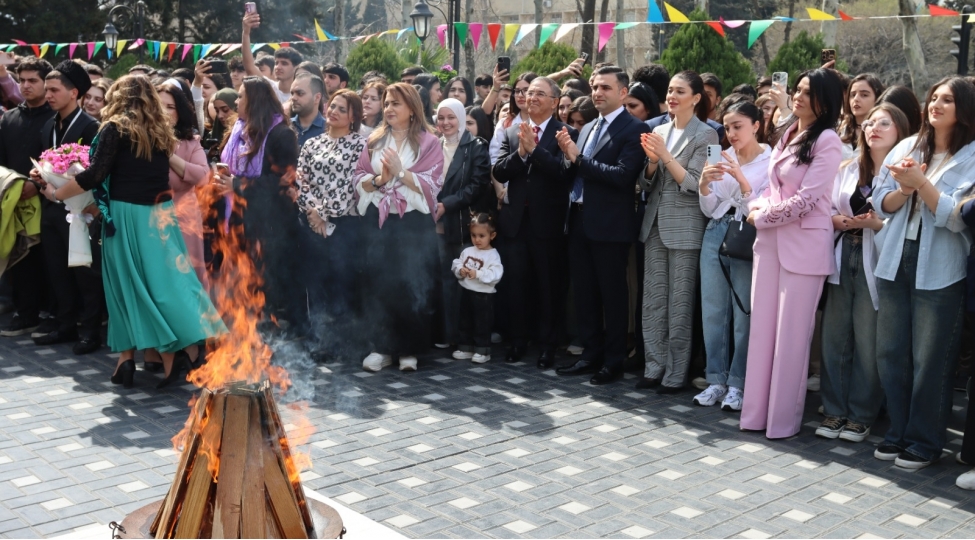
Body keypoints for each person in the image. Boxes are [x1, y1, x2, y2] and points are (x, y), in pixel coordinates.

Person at [41, 75, 226, 388]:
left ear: (118, 97)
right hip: (162, 214)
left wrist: (56, 193)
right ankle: (175, 354)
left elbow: (96, 175)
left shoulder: (114, 128)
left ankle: (151, 356)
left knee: (125, 289)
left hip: (129, 215)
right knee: (170, 285)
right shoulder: (160, 131)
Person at [872, 76, 975, 469]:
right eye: (934, 97)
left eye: (947, 100)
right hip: (896, 255)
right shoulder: (908, 144)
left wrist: (922, 184)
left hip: (942, 264)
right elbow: (881, 203)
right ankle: (898, 432)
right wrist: (905, 189)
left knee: (931, 359)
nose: (936, 104)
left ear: (964, 108)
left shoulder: (972, 155)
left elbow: (958, 217)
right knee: (891, 352)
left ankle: (925, 440)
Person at [741, 68, 844, 439]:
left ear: (825, 100)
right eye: (797, 89)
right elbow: (772, 187)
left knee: (791, 339)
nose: (797, 96)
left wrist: (761, 216)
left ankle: (782, 422)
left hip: (803, 247)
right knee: (763, 333)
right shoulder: (787, 133)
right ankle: (754, 414)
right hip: (769, 244)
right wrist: (755, 205)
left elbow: (808, 199)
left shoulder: (829, 140)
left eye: (807, 92)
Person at [817, 103, 909, 442]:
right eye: (869, 122)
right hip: (844, 253)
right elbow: (824, 207)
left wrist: (877, 225)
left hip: (878, 260)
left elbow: (904, 224)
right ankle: (834, 410)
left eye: (884, 123)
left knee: (868, 341)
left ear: (900, 130)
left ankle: (861, 414)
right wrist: (836, 220)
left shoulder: (905, 173)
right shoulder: (846, 168)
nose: (873, 127)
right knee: (835, 337)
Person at [555, 66, 650, 385]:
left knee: (612, 293)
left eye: (605, 87)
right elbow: (574, 172)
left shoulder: (635, 129)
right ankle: (589, 353)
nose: (597, 92)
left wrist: (578, 158)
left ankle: (613, 360)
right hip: (579, 218)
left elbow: (622, 176)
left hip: (610, 224)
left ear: (623, 93)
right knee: (584, 292)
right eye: (594, 86)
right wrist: (569, 159)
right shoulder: (588, 127)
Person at [353, 83, 444, 372]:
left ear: (412, 108)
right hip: (380, 222)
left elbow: (433, 184)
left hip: (414, 226)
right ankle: (382, 348)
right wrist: (381, 179)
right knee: (379, 283)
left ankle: (409, 349)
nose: (389, 108)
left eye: (396, 104)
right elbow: (358, 179)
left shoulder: (429, 142)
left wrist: (400, 174)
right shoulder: (374, 141)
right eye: (387, 103)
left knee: (412, 283)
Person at [637, 70, 719, 393]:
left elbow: (695, 183)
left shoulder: (707, 135)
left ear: (696, 98)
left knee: (680, 302)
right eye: (670, 90)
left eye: (680, 91)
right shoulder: (658, 129)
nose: (672, 96)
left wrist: (666, 156)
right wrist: (652, 163)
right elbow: (643, 183)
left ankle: (675, 373)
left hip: (686, 225)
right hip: (654, 222)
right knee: (654, 300)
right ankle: (653, 367)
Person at [493, 77, 575, 367]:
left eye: (540, 93)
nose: (532, 97)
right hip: (515, 224)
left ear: (555, 102)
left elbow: (566, 174)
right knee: (515, 285)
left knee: (547, 287)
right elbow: (500, 172)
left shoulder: (566, 133)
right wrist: (522, 151)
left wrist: (536, 151)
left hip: (548, 225)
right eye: (529, 93)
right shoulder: (512, 131)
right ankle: (517, 341)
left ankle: (547, 345)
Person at [695, 101, 771, 409]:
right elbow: (710, 208)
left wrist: (740, 178)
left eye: (738, 126)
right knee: (712, 310)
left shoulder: (771, 159)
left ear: (756, 125)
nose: (731, 133)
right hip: (716, 231)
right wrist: (703, 184)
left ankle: (738, 383)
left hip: (747, 234)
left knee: (744, 313)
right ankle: (716, 379)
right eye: (727, 127)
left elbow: (758, 205)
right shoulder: (718, 153)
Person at [213, 77, 301, 328]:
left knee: (265, 285)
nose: (237, 102)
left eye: (241, 97)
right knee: (240, 284)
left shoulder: (281, 134)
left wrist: (238, 185)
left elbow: (283, 180)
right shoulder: (238, 131)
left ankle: (269, 339)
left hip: (269, 225)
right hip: (237, 218)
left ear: (257, 101)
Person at [32, 60, 102, 355]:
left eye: (54, 90)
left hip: (81, 210)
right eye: (46, 90)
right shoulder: (48, 123)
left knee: (84, 272)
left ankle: (90, 331)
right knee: (57, 270)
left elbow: (96, 171)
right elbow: (45, 161)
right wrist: (40, 176)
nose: (48, 95)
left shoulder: (91, 125)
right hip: (51, 207)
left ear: (74, 93)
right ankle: (65, 325)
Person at [295, 89, 366, 353]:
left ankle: (340, 342)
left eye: (341, 109)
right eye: (332, 106)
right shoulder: (312, 144)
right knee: (314, 283)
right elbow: (299, 180)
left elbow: (353, 185)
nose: (334, 111)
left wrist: (324, 213)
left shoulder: (361, 145)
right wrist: (313, 213)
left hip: (345, 225)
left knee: (341, 282)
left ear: (353, 116)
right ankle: (318, 340)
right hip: (311, 225)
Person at [0, 57, 54, 339]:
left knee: (48, 260)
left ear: (47, 83)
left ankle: (53, 314)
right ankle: (26, 312)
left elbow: (60, 160)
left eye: (33, 80)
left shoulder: (55, 118)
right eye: (21, 80)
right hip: (13, 200)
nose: (25, 86)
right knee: (19, 258)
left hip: (49, 200)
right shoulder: (9, 118)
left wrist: (37, 184)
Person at [434, 98, 491, 349]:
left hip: (461, 224)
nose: (445, 123)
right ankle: (447, 335)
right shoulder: (433, 145)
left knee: (467, 281)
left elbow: (477, 186)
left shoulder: (476, 146)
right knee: (444, 281)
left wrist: (446, 204)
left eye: (451, 117)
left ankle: (468, 339)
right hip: (436, 225)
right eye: (441, 118)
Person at [157, 79, 210, 289]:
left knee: (186, 278)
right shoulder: (139, 140)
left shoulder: (190, 141)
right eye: (159, 105)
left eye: (170, 107)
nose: (164, 112)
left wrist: (168, 154)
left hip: (184, 218)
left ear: (180, 112)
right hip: (150, 219)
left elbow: (202, 176)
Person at [451, 213, 504, 363]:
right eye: (474, 235)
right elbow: (457, 263)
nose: (477, 239)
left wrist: (478, 273)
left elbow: (496, 274)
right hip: (466, 292)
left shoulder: (493, 255)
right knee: (465, 321)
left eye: (482, 235)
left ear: (492, 235)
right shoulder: (468, 251)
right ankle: (465, 347)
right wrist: (460, 270)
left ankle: (483, 350)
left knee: (482, 323)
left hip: (484, 295)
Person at [241, 10, 302, 102]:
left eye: (284, 63)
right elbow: (250, 67)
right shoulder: (269, 87)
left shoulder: (302, 94)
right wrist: (245, 33)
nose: (278, 67)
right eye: (276, 63)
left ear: (296, 68)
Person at [489, 72, 535, 163]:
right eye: (517, 91)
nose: (520, 95)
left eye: (526, 90)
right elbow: (495, 159)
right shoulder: (505, 123)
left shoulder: (546, 122)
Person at [838, 74, 884, 158]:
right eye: (853, 95)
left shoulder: (883, 131)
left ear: (877, 99)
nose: (856, 99)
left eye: (864, 95)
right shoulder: (838, 128)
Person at [290, 72, 325, 147]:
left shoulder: (328, 130)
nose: (293, 98)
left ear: (317, 98)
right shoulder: (285, 126)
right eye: (292, 93)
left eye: (300, 93)